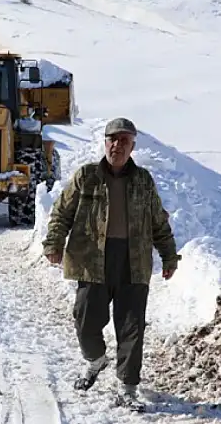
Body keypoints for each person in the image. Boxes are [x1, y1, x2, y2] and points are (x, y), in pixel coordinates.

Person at [41, 117, 180, 410]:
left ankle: (128, 387)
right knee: (85, 320)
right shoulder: (86, 176)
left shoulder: (143, 180)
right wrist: (53, 243)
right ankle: (96, 360)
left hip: (133, 262)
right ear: (105, 143)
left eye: (124, 141)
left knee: (132, 328)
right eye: (113, 139)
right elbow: (62, 213)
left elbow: (158, 221)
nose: (117, 145)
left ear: (132, 147)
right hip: (92, 261)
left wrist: (169, 255)